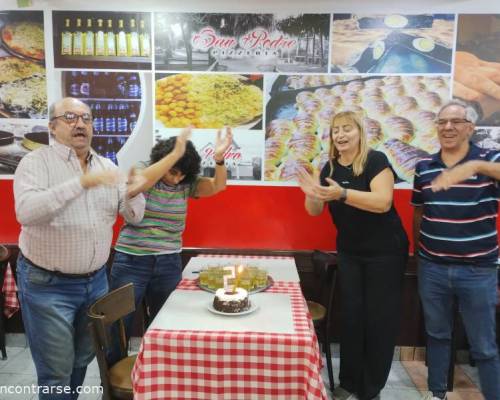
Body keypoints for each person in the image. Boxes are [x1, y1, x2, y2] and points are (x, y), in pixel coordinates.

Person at [13, 97, 145, 400]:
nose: (80, 123)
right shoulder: (36, 163)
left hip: (96, 282)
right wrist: (81, 183)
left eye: (86, 118)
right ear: (53, 126)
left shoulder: (106, 165)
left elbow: (134, 216)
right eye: (70, 117)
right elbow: (27, 212)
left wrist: (136, 191)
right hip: (47, 284)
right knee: (56, 370)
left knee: (81, 361)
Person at [297, 111, 409, 400]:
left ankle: (371, 389)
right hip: (350, 251)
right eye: (336, 130)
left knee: (378, 320)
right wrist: (312, 190)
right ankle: (348, 381)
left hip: (386, 252)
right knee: (351, 317)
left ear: (360, 132)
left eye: (347, 129)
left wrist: (342, 195)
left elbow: (383, 202)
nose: (341, 135)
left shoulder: (375, 160)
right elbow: (314, 210)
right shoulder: (330, 167)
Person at [108, 126, 233, 362]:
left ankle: (156, 372)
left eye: (182, 174)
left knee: (165, 322)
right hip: (131, 260)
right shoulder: (145, 169)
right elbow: (136, 186)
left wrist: (218, 159)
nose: (177, 178)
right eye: (173, 172)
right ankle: (113, 380)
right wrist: (173, 156)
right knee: (119, 324)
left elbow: (219, 186)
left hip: (168, 262)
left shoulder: (186, 184)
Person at [412, 100, 500, 400]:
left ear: (470, 128)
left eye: (456, 121)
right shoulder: (424, 166)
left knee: (483, 346)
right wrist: (420, 254)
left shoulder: (490, 159)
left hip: (478, 271)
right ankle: (437, 393)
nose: (448, 127)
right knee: (437, 336)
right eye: (442, 122)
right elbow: (419, 213)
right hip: (432, 267)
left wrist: (474, 166)